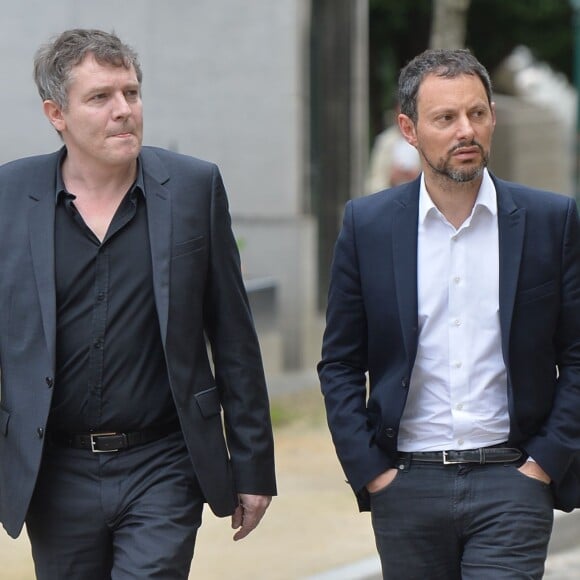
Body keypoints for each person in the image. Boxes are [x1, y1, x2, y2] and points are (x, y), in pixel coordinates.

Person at [0, 28, 276, 579]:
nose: (123, 110)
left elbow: (234, 336)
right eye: (100, 97)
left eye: (131, 92)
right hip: (56, 470)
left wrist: (253, 467)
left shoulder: (195, 188)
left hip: (164, 462)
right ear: (56, 113)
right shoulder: (9, 196)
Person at [318, 47, 580, 579]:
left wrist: (545, 463)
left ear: (492, 119)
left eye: (477, 113)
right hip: (406, 483)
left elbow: (576, 355)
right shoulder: (367, 227)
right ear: (409, 131)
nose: (466, 129)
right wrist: (372, 473)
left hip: (513, 480)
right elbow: (340, 364)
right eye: (446, 118)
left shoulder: (550, 221)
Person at [365, 101, 420, 193]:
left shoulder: (424, 139)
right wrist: (391, 178)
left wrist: (418, 178)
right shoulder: (385, 141)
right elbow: (373, 182)